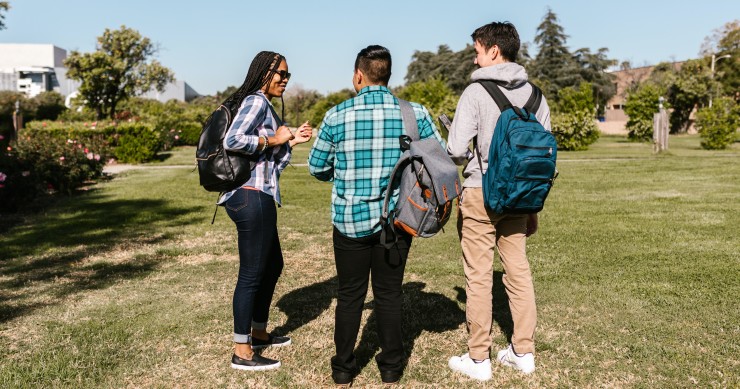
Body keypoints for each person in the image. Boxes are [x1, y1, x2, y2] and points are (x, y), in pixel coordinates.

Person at [308, 45, 444, 387]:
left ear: (358, 75)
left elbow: (316, 167)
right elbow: (437, 161)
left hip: (349, 220)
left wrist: (342, 175)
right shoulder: (415, 113)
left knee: (350, 294)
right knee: (389, 293)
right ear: (386, 75)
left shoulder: (336, 115)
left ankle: (342, 367)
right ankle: (391, 366)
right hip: (397, 219)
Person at [446, 22, 551, 380]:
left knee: (478, 276)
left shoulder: (475, 93)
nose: (473, 58)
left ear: (493, 51)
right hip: (522, 197)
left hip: (481, 193)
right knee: (518, 272)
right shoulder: (537, 96)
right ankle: (523, 352)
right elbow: (541, 158)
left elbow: (457, 151)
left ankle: (479, 359)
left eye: (476, 50)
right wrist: (534, 207)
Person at [219, 51, 313, 371]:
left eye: (288, 74)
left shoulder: (265, 105)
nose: (284, 79)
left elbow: (270, 162)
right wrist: (274, 138)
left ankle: (258, 333)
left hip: (258, 193)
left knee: (272, 265)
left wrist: (291, 141)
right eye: (279, 74)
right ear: (263, 74)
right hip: (250, 196)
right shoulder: (257, 101)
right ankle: (242, 350)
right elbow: (233, 140)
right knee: (252, 274)